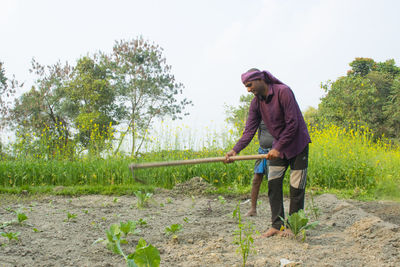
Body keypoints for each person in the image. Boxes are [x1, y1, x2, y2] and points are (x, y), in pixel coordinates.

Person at [225, 68, 311, 237]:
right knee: (273, 185)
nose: (248, 89)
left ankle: (293, 228)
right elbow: (249, 130)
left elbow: (292, 124)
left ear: (260, 80)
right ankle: (277, 225)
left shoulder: (283, 92)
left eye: (249, 85)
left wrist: (277, 147)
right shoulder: (256, 103)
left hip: (297, 145)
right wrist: (235, 150)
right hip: (278, 148)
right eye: (246, 87)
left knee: (296, 188)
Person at [245, 120, 273, 217]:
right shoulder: (259, 115)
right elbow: (253, 131)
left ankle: (275, 210)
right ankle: (253, 209)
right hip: (262, 151)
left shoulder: (277, 111)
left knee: (273, 182)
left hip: (274, 152)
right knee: (256, 179)